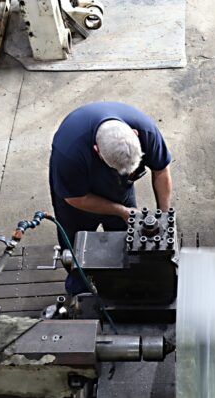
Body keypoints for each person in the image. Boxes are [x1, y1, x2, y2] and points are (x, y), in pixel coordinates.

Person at [49, 102, 173, 292]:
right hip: (76, 202)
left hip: (119, 191)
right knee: (77, 250)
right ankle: (81, 289)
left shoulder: (147, 131)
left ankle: (122, 285)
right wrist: (121, 211)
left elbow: (161, 170)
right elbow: (76, 199)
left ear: (135, 134)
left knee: (127, 241)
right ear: (97, 150)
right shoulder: (68, 153)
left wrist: (164, 217)